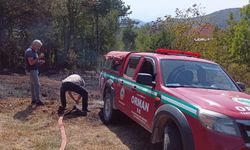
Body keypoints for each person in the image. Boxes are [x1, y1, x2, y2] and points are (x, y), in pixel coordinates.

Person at [25, 39, 45, 106]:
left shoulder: (34, 51)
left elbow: (34, 62)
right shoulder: (29, 51)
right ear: (34, 44)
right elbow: (31, 63)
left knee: (33, 85)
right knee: (36, 85)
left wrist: (39, 62)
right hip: (32, 70)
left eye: (39, 46)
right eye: (38, 46)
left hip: (34, 70)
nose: (39, 48)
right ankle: (38, 100)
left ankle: (34, 100)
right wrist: (39, 57)